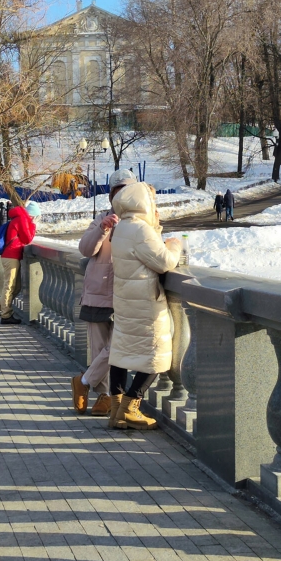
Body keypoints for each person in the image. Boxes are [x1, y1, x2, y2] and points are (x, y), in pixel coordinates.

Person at [107, 183, 181, 430]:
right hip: (145, 304)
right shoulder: (140, 230)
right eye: (152, 200)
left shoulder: (123, 228)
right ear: (143, 203)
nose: (154, 204)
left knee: (121, 352)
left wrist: (154, 225)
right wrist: (174, 245)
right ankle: (131, 406)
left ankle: (116, 409)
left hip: (126, 301)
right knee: (157, 353)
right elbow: (164, 262)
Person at [71, 169, 138, 418]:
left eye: (127, 192)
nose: (122, 198)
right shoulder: (101, 220)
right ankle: (104, 397)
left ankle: (83, 382)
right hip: (99, 294)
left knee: (116, 348)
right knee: (100, 348)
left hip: (127, 295)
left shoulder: (140, 223)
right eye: (117, 192)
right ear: (111, 196)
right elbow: (86, 249)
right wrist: (102, 228)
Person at [0, 202, 38, 325]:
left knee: (16, 287)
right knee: (9, 286)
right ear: (33, 215)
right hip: (11, 256)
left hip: (10, 256)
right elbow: (28, 238)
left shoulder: (18, 218)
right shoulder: (22, 219)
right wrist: (33, 225)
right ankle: (5, 315)